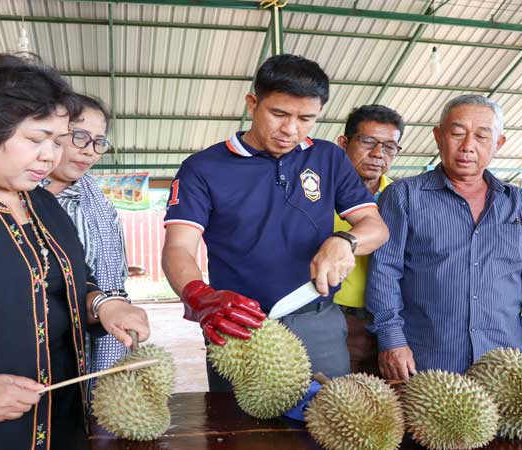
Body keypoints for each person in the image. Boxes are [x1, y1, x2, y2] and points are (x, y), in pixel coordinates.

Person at [0, 54, 150, 450]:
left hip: (59, 422)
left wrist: (104, 306)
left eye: (57, 141)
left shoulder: (43, 203)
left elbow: (69, 281)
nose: (50, 157)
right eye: (36, 140)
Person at [161, 54, 389, 391]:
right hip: (239, 328)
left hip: (318, 320)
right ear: (253, 104)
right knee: (239, 432)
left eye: (306, 118)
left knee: (329, 419)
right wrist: (199, 297)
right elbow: (179, 247)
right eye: (279, 114)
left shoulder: (328, 158)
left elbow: (374, 225)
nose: (290, 130)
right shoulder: (203, 168)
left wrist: (345, 241)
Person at [367, 94, 522, 381]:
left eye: (482, 136)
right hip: (425, 359)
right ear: (438, 136)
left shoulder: (520, 202)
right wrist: (391, 340)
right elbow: (384, 272)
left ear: (498, 144)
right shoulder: (404, 196)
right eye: (457, 134)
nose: (468, 146)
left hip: (504, 360)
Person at [42, 93, 131, 404]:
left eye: (98, 141)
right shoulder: (20, 197)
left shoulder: (98, 202)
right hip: (41, 341)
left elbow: (107, 273)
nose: (88, 151)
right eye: (78, 136)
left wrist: (110, 304)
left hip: (100, 329)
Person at [334, 104, 403, 375]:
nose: (378, 154)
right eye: (368, 142)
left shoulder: (403, 199)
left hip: (393, 326)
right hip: (336, 320)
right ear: (344, 143)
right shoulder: (317, 197)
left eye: (389, 146)